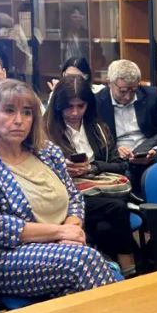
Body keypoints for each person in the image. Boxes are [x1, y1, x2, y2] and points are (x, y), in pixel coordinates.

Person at [0, 79, 118, 299]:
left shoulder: (48, 153)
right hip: (6, 257)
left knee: (83, 285)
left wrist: (71, 228)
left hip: (65, 247)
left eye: (27, 112)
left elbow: (74, 198)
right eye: (9, 111)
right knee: (86, 261)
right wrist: (59, 233)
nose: (19, 120)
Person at [45, 75, 136, 276]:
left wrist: (92, 168)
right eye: (69, 107)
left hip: (99, 188)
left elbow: (120, 166)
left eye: (81, 106)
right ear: (58, 106)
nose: (75, 112)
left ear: (88, 105)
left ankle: (113, 268)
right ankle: (127, 266)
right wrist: (62, 168)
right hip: (67, 195)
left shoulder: (98, 128)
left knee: (106, 223)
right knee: (115, 211)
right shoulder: (46, 132)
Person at [95, 59, 157, 162]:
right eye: (122, 91)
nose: (128, 97)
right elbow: (95, 139)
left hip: (147, 154)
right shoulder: (96, 103)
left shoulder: (152, 96)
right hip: (116, 160)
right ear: (109, 83)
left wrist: (154, 150)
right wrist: (114, 150)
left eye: (133, 91)